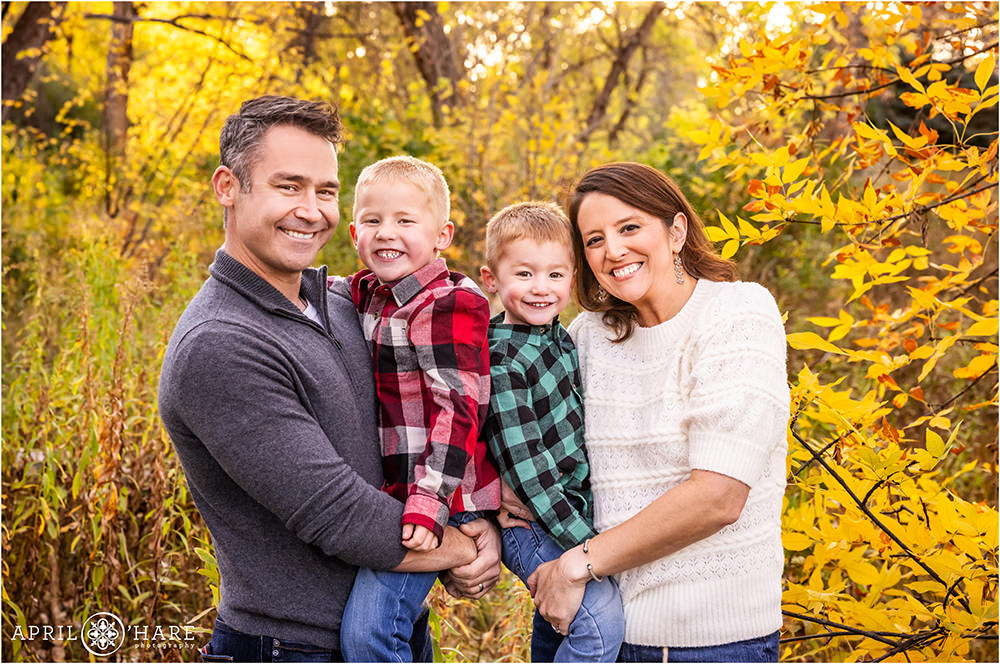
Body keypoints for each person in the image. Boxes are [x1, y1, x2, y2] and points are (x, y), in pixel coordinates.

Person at [158, 96, 500, 663]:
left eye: (326, 191)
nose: (312, 210)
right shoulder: (220, 343)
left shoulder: (347, 300)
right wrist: (466, 546)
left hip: (393, 628)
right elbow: (341, 518)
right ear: (227, 186)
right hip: (288, 645)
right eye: (288, 186)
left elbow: (445, 403)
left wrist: (479, 514)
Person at [526, 162, 790, 663]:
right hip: (587, 630)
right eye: (594, 239)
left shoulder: (736, 315)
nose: (614, 251)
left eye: (629, 228)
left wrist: (577, 566)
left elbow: (718, 497)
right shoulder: (588, 335)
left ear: (676, 231)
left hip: (705, 643)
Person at [336, 156, 501, 662]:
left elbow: (459, 409)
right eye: (373, 220)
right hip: (398, 496)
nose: (387, 232)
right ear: (353, 232)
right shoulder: (369, 292)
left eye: (406, 221)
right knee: (398, 632)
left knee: (369, 633)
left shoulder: (446, 305)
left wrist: (430, 502)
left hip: (440, 496)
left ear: (442, 235)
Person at [479, 201, 625, 662]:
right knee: (599, 625)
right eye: (524, 275)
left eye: (555, 276)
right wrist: (589, 542)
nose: (541, 289)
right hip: (535, 521)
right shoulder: (504, 361)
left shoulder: (558, 335)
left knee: (561, 628)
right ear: (491, 280)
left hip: (565, 511)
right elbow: (530, 471)